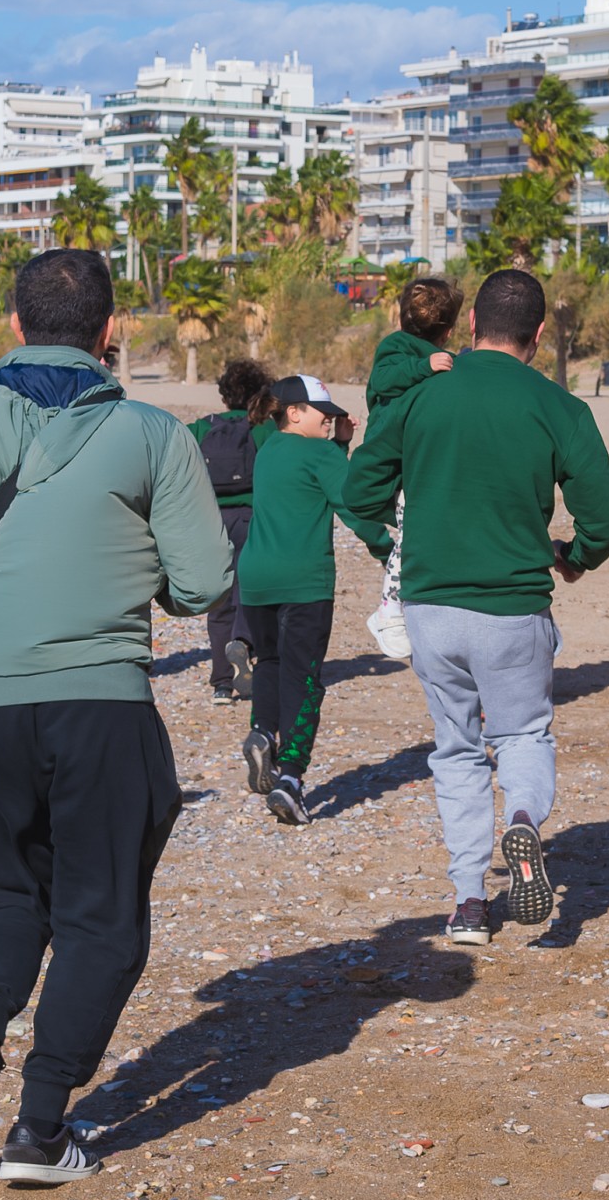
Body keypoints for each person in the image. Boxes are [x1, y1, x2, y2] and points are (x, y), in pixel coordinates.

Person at [0, 248, 234, 1185]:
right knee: (103, 916)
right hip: (99, 696)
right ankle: (39, 1125)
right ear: (113, 335)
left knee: (8, 892)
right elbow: (203, 584)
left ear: (14, 326)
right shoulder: (151, 433)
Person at [344, 268, 609, 947]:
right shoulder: (559, 406)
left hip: (432, 603)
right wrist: (573, 557)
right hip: (513, 601)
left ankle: (469, 900)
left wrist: (403, 529)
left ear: (471, 326)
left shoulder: (422, 396)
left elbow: (360, 492)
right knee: (523, 734)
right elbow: (605, 521)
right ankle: (522, 815)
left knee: (457, 747)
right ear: (538, 333)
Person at [238, 373, 393, 825]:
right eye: (322, 415)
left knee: (268, 662)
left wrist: (336, 445)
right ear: (294, 412)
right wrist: (389, 552)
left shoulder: (270, 450)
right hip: (303, 582)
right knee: (304, 679)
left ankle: (263, 731)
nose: (330, 421)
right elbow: (353, 506)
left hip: (256, 579)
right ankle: (291, 781)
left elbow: (308, 489)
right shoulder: (320, 453)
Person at [364, 278, 462, 660]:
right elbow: (383, 380)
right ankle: (388, 609)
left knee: (414, 532)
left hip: (412, 454)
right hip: (396, 456)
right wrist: (424, 366)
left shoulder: (434, 355)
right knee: (408, 535)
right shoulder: (396, 348)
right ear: (449, 329)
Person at [190, 359, 279, 704]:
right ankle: (242, 644)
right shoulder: (264, 429)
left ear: (225, 394)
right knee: (249, 592)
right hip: (253, 519)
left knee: (219, 602)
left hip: (211, 521)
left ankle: (221, 686)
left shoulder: (201, 427)